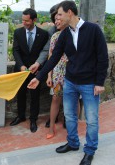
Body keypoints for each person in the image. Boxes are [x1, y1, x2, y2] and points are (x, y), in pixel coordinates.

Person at [28, 0, 109, 165]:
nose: (56, 17)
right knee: (70, 116)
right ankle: (73, 143)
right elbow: (54, 58)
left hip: (89, 83)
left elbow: (103, 57)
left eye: (59, 14)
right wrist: (38, 77)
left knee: (92, 119)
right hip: (70, 81)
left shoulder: (93, 30)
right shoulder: (65, 34)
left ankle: (89, 151)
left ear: (69, 13)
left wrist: (99, 82)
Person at [10, 8, 50, 133]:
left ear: (34, 20)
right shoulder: (18, 32)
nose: (24, 23)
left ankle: (33, 120)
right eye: (23, 20)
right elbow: (15, 51)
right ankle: (21, 116)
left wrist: (39, 67)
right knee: (20, 94)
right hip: (21, 70)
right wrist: (21, 65)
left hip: (36, 71)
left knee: (34, 96)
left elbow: (45, 53)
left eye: (27, 21)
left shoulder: (43, 34)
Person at [45, 10, 68, 139]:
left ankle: (72, 126)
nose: (56, 21)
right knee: (55, 99)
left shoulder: (76, 35)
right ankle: (51, 126)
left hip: (72, 73)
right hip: (57, 73)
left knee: (74, 100)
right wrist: (49, 76)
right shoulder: (55, 36)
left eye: (59, 19)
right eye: (55, 20)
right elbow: (50, 57)